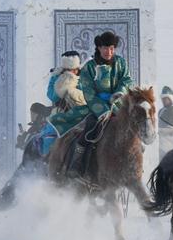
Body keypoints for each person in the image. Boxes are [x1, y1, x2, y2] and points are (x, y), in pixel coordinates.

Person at [47, 31, 134, 186]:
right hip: (95, 107)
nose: (109, 52)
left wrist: (120, 92)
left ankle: (134, 163)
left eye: (112, 48)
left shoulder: (120, 63)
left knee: (134, 128)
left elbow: (127, 79)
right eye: (106, 48)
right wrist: (102, 106)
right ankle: (76, 165)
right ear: (99, 48)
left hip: (118, 104)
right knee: (89, 130)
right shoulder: (90, 68)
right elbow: (87, 91)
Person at [38, 51, 86, 156]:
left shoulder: (84, 78)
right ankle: (47, 158)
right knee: (51, 134)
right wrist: (62, 85)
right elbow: (51, 95)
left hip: (82, 112)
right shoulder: (56, 77)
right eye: (68, 70)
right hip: (61, 112)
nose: (71, 72)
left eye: (73, 70)